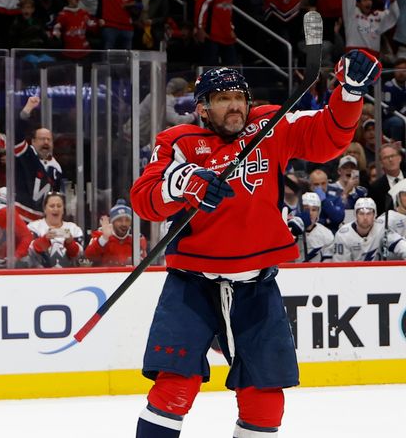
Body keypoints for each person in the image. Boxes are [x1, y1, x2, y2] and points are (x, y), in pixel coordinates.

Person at [130, 51, 381, 437]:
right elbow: (144, 199)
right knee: (174, 388)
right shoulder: (178, 142)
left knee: (265, 399)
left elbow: (328, 137)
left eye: (239, 97)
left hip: (256, 284)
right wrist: (183, 183)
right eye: (221, 98)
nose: (234, 106)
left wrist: (348, 94)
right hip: (191, 284)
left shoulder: (270, 126)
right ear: (202, 108)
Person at [333, 197, 406, 261]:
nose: (365, 218)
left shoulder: (382, 228)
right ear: (355, 215)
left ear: (375, 215)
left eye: (369, 214)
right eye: (361, 214)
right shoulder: (343, 235)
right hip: (353, 274)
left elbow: (399, 244)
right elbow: (341, 265)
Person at [26, 192, 84, 268]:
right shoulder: (33, 227)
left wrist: (70, 243)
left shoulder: (74, 228)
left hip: (68, 276)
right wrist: (44, 240)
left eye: (59, 206)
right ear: (45, 209)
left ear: (63, 210)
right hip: (40, 276)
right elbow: (28, 253)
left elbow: (80, 258)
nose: (56, 209)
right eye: (52, 206)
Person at [84, 199, 145, 266]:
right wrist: (104, 238)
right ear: (112, 222)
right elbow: (88, 257)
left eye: (127, 220)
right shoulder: (100, 235)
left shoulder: (137, 238)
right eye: (119, 220)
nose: (124, 224)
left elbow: (144, 264)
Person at [291, 192, 335, 262]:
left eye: (314, 210)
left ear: (318, 212)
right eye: (306, 209)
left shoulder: (326, 234)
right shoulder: (290, 230)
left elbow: (327, 263)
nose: (310, 213)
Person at [368, 143, 406, 215]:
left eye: (392, 156)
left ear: (400, 158)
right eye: (386, 157)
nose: (390, 159)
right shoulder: (375, 188)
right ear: (381, 163)